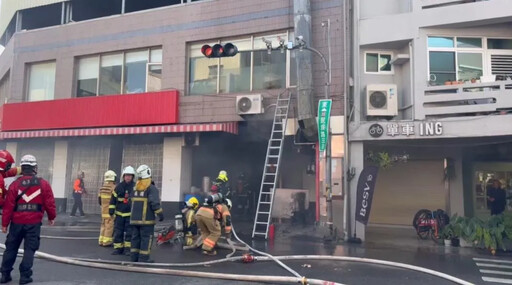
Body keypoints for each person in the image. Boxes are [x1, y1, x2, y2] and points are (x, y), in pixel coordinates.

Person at [0, 155, 56, 284]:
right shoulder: (43, 184)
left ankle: (5, 274)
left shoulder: (15, 185)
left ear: (23, 168)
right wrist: (51, 217)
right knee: (29, 249)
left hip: (16, 223)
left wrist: (4, 224)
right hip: (33, 223)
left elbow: (8, 206)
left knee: (11, 248)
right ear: (34, 168)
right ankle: (25, 277)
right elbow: (50, 203)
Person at [130, 165, 163, 263]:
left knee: (135, 238)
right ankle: (144, 258)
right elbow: (154, 203)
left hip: (134, 220)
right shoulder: (151, 188)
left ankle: (134, 257)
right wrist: (160, 214)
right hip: (146, 220)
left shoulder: (135, 188)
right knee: (146, 239)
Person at [110, 166, 135, 255]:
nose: (128, 177)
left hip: (130, 214)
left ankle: (128, 249)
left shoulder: (135, 187)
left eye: (130, 175)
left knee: (129, 232)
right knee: (118, 231)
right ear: (123, 176)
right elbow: (113, 199)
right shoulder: (118, 187)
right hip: (119, 213)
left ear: (132, 176)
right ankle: (118, 248)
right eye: (126, 175)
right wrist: (111, 209)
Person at [98, 170, 116, 247]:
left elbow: (99, 200)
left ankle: (101, 240)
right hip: (110, 211)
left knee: (103, 225)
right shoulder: (113, 188)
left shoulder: (102, 188)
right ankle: (107, 241)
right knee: (109, 227)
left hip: (103, 210)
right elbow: (115, 199)